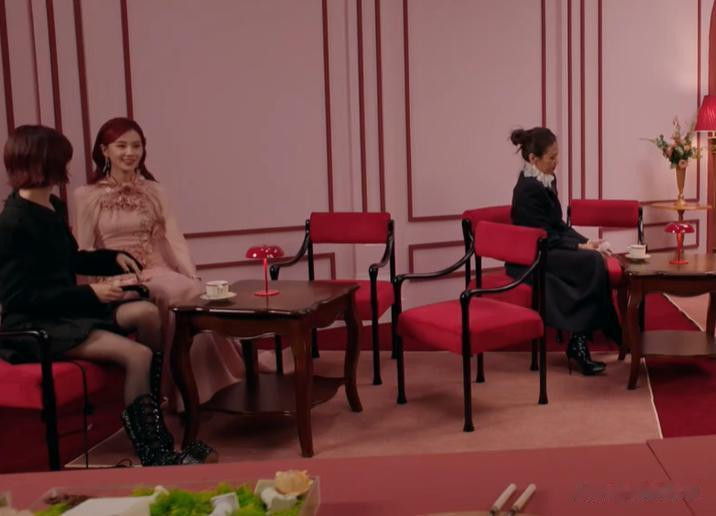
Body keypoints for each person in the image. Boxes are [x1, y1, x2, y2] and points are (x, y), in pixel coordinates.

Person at [0, 125, 215, 466]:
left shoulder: (52, 205)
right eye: (62, 160)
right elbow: (21, 299)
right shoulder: (13, 222)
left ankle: (152, 419)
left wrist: (111, 258)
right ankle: (154, 452)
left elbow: (70, 259)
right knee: (137, 355)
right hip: (35, 324)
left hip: (65, 311)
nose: (66, 167)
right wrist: (90, 293)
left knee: (146, 313)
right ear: (44, 162)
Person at [73, 117, 245, 410]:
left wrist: (192, 275)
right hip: (116, 277)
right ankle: (172, 392)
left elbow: (174, 238)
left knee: (192, 293)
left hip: (156, 269)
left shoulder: (155, 190)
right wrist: (91, 295)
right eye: (121, 146)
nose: (130, 152)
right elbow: (83, 251)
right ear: (104, 150)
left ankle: (197, 389)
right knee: (171, 295)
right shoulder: (86, 195)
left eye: (136, 146)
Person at [508, 127, 621, 375]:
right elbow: (541, 235)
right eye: (552, 157)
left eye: (557, 155)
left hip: (548, 246)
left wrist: (588, 241)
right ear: (533, 158)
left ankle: (581, 339)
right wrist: (579, 246)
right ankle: (595, 332)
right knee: (591, 262)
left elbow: (557, 225)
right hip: (531, 255)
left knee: (593, 258)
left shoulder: (546, 179)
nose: (557, 162)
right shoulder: (527, 189)